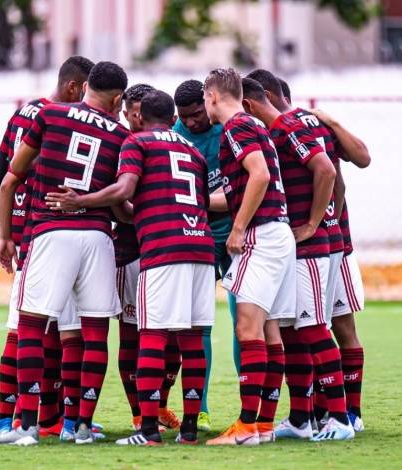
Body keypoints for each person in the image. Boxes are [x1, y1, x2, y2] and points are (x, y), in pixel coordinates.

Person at [47, 90, 214, 446]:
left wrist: (81, 200)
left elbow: (124, 188)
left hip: (163, 248)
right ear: (174, 118)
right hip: (200, 246)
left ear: (139, 117)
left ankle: (148, 430)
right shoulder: (193, 151)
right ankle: (187, 430)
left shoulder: (137, 144)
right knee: (192, 340)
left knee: (150, 335)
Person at [0, 61, 129, 446]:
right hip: (99, 238)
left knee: (32, 326)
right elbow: (121, 202)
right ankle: (81, 426)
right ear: (117, 98)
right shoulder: (121, 134)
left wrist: (6, 235)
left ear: (84, 87)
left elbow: (9, 179)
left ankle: (28, 426)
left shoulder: (48, 114)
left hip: (51, 233)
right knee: (95, 332)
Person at [239, 78, 354, 442]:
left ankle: (340, 419)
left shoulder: (286, 127)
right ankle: (302, 419)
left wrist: (314, 222)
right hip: (306, 245)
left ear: (251, 105)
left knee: (314, 327)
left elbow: (327, 170)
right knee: (293, 332)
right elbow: (336, 178)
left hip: (311, 246)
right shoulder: (299, 124)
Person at [0, 55, 94, 440]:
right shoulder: (59, 119)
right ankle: (60, 421)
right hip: (49, 231)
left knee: (28, 327)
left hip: (28, 233)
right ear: (74, 88)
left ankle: (18, 418)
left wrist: (9, 228)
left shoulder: (23, 113)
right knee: (61, 331)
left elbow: (2, 173)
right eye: (88, 92)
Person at [202, 68, 295, 446]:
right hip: (279, 233)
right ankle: (262, 425)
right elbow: (246, 185)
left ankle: (244, 427)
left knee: (247, 328)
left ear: (211, 96)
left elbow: (258, 176)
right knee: (270, 332)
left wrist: (238, 228)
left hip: (262, 235)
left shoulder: (236, 127)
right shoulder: (254, 127)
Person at [117, 83, 183, 432]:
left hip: (168, 249)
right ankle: (139, 412)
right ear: (127, 113)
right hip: (130, 252)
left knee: (172, 339)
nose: (136, 118)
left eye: (141, 113)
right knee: (132, 336)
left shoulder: (169, 144)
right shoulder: (121, 142)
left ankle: (159, 405)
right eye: (131, 113)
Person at [172, 79, 237, 432]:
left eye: (198, 114)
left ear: (207, 104)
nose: (193, 122)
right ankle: (201, 407)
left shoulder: (228, 129)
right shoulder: (174, 132)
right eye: (186, 117)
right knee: (199, 323)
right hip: (196, 233)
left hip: (236, 229)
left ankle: (250, 408)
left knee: (245, 318)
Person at [309, 106, 371, 432]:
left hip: (337, 246)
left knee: (342, 328)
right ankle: (319, 412)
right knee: (309, 327)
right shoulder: (276, 132)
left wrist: (331, 120)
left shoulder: (317, 129)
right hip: (307, 251)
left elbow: (362, 159)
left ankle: (352, 413)